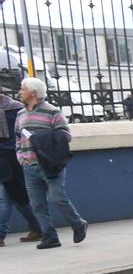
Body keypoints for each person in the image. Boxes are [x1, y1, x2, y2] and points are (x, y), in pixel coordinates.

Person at [14, 77, 84, 248]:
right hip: (28, 165)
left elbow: (65, 135)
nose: (20, 92)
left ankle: (78, 224)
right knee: (37, 204)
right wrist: (20, 157)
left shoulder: (52, 111)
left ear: (33, 92)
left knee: (57, 198)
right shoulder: (20, 114)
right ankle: (50, 237)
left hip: (49, 163)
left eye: (23, 89)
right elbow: (18, 138)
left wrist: (41, 137)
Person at [0, 85, 35, 244]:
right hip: (15, 156)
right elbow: (26, 132)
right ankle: (38, 227)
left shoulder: (15, 110)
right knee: (17, 196)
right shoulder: (18, 108)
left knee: (6, 197)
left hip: (9, 157)